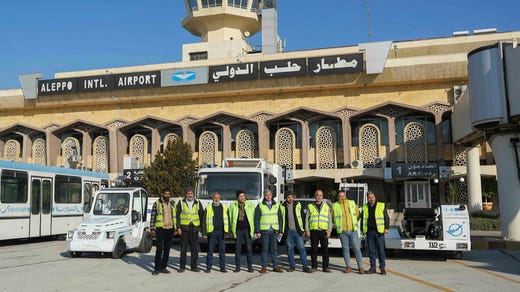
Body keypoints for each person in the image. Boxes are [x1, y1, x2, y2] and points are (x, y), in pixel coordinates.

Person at [332, 190, 365, 274]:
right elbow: (332, 218)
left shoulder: (352, 203)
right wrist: (338, 224)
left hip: (353, 230)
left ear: (345, 196)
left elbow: (358, 215)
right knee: (345, 249)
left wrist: (352, 223)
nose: (342, 197)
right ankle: (348, 267)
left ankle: (360, 268)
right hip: (342, 231)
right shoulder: (334, 205)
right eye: (340, 196)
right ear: (338, 197)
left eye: (343, 196)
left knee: (357, 249)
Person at [254, 189, 284, 273]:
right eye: (266, 195)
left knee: (274, 250)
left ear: (272, 195)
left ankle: (275, 266)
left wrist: (281, 231)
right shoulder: (260, 205)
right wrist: (257, 231)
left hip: (274, 231)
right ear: (264, 196)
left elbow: (280, 219)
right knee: (264, 250)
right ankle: (264, 267)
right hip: (264, 231)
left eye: (270, 194)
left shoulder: (276, 205)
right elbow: (256, 219)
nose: (268, 196)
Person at [361, 191, 390, 275]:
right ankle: (373, 267)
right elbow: (363, 219)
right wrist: (362, 229)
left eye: (372, 197)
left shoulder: (381, 205)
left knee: (381, 250)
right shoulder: (365, 207)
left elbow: (386, 217)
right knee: (371, 251)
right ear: (367, 198)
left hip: (379, 232)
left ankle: (382, 268)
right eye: (369, 197)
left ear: (375, 197)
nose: (371, 199)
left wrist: (386, 227)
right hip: (369, 231)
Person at [176, 188, 204, 273]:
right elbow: (177, 216)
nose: (190, 195)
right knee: (183, 249)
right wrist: (178, 227)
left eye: (191, 193)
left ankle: (194, 266)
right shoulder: (181, 202)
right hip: (184, 228)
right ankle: (182, 267)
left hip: (194, 228)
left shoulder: (198, 202)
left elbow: (201, 215)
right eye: (188, 193)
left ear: (193, 194)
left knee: (194, 249)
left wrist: (201, 227)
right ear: (186, 194)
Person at [282, 193, 310, 273]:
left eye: (291, 197)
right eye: (288, 197)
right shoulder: (282, 206)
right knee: (290, 249)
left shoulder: (298, 205)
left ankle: (305, 266)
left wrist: (304, 229)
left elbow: (303, 217)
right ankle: (292, 266)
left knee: (301, 248)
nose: (290, 199)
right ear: (286, 198)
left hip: (298, 231)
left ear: (293, 198)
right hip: (288, 232)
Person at [150, 188, 176, 275]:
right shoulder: (157, 203)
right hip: (161, 229)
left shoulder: (173, 203)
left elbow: (175, 217)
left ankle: (163, 267)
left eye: (168, 194)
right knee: (159, 249)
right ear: (162, 194)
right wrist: (152, 228)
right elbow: (153, 216)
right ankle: (157, 268)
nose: (167, 196)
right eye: (166, 194)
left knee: (167, 249)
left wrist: (175, 228)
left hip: (170, 229)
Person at [305, 189, 332, 273]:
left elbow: (329, 219)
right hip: (314, 231)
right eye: (317, 195)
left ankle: (325, 267)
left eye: (320, 195)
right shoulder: (310, 206)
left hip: (324, 231)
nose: (319, 197)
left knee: (325, 250)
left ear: (322, 197)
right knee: (314, 250)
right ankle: (314, 267)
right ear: (315, 196)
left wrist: (329, 230)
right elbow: (307, 219)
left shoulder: (326, 206)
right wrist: (307, 230)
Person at [202, 192, 229, 273]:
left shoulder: (224, 208)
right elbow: (203, 221)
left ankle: (222, 268)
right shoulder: (208, 208)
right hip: (212, 232)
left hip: (222, 232)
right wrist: (204, 233)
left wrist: (228, 232)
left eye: (218, 198)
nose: (216, 199)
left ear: (220, 198)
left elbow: (228, 220)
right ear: (212, 198)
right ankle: (208, 267)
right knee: (210, 250)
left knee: (222, 251)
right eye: (215, 197)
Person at [230, 189, 255, 273]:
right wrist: (231, 229)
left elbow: (253, 217)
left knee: (249, 248)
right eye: (240, 196)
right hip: (238, 230)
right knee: (237, 249)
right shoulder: (233, 205)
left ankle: (250, 267)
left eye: (243, 196)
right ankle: (237, 267)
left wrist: (254, 229)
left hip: (247, 229)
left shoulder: (250, 205)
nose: (242, 198)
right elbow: (231, 218)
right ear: (237, 197)